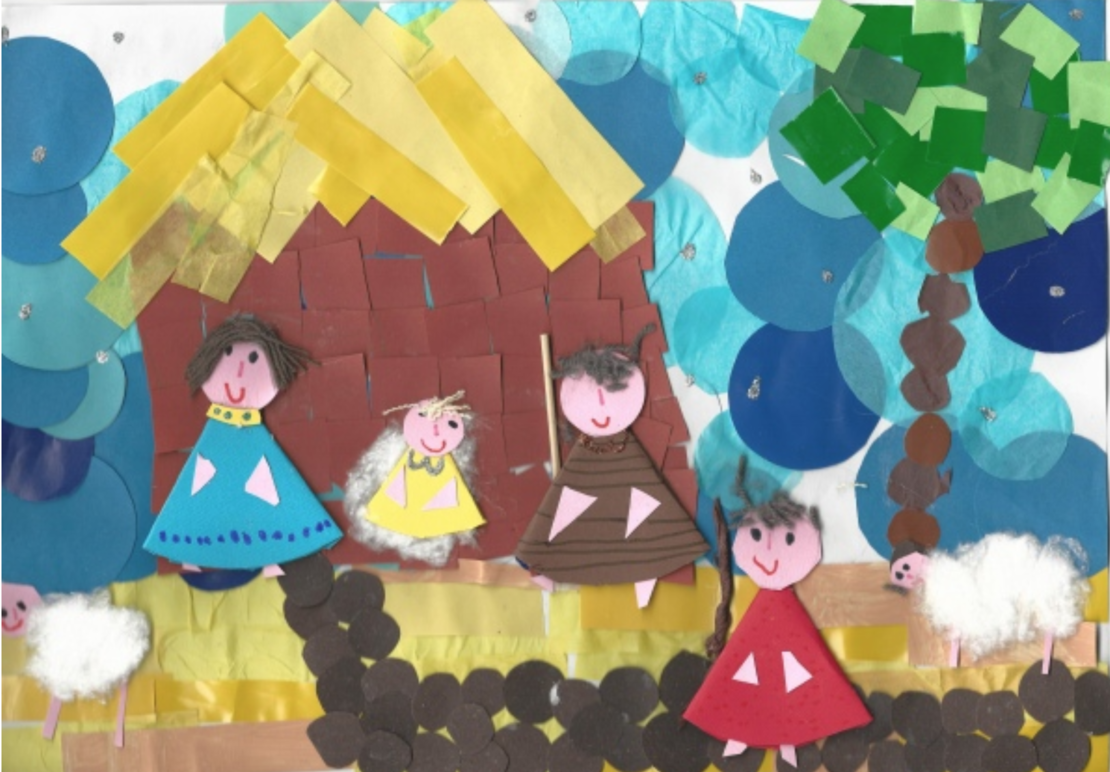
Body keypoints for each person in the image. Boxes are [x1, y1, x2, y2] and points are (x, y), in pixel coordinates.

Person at [515, 328, 707, 608]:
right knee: (563, 513)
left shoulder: (626, 452)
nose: (602, 410)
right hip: (587, 475)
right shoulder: (585, 452)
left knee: (644, 509)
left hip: (625, 480)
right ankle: (550, 567)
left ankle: (647, 573)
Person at [684, 493, 871, 767]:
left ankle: (783, 740)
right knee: (746, 672)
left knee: (788, 672)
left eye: (789, 539)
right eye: (757, 535)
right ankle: (743, 734)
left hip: (782, 620)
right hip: (765, 620)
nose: (770, 550)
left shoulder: (785, 606)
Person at [143, 315, 340, 571]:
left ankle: (269, 556)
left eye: (253, 359)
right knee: (200, 487)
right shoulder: (216, 435)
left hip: (248, 439)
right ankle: (192, 555)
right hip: (222, 438)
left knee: (268, 486)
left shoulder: (253, 433)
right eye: (227, 353)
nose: (239, 370)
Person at [344, 391, 485, 567]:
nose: (435, 434)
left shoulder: (445, 463)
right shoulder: (404, 455)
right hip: (395, 510)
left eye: (450, 424)